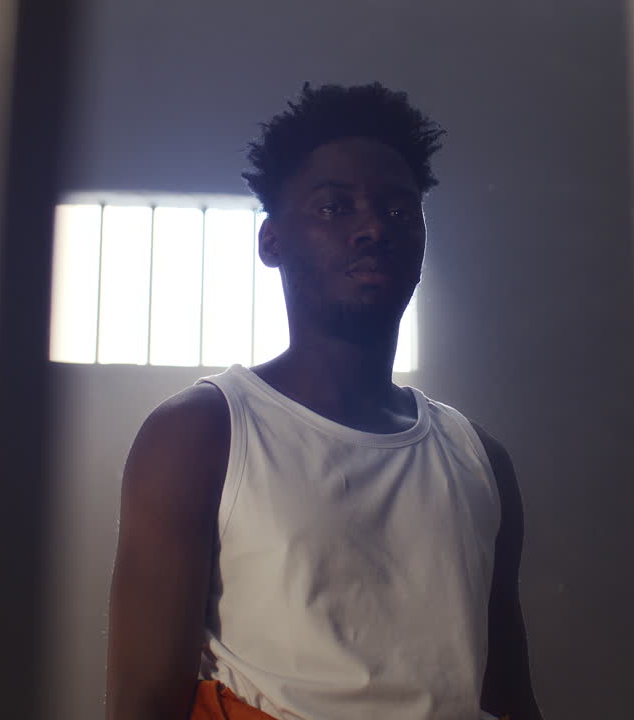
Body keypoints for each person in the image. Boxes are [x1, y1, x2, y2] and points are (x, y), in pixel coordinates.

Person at [105, 82, 543, 720]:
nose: (372, 227)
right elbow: (143, 702)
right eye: (336, 207)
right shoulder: (201, 434)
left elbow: (509, 701)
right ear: (272, 242)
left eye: (397, 210)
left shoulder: (481, 460)